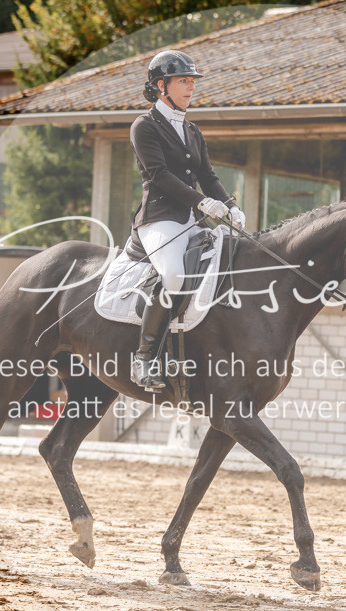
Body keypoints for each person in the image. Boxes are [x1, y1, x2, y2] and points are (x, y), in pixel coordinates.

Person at [128, 49, 245, 391]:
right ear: (161, 86)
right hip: (160, 218)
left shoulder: (192, 130)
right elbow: (159, 175)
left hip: (193, 219)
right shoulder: (144, 126)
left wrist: (229, 204)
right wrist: (202, 202)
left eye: (192, 81)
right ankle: (144, 358)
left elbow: (207, 175)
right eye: (184, 81)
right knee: (175, 275)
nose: (191, 87)